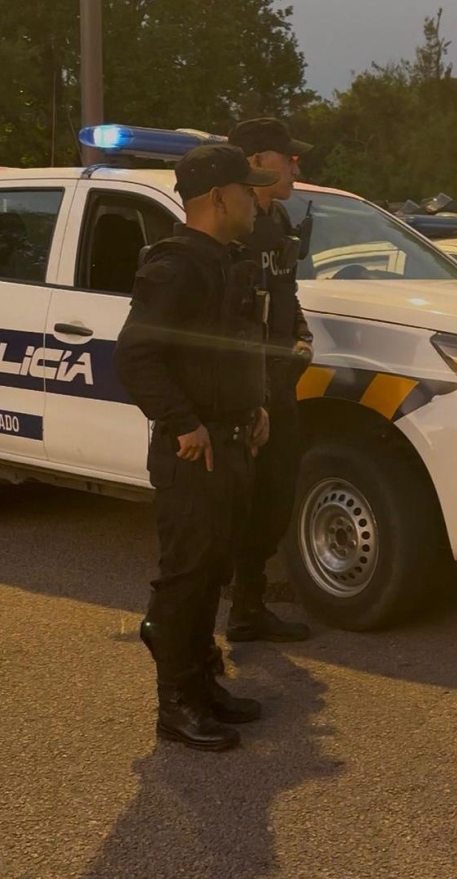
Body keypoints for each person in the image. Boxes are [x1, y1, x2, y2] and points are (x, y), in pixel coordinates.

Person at [113, 143, 277, 752]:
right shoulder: (177, 265)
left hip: (229, 441)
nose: (256, 201)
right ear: (218, 198)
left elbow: (226, 349)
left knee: (213, 568)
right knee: (186, 575)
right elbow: (134, 355)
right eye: (247, 190)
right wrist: (183, 422)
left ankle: (203, 682)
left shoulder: (222, 260)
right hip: (193, 451)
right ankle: (175, 702)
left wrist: (253, 406)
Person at [224, 117, 314, 644]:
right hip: (241, 386)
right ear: (258, 162)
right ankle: (229, 609)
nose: (296, 166)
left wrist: (300, 333)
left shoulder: (277, 220)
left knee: (277, 495)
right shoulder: (228, 225)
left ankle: (249, 606)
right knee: (239, 501)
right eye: (288, 157)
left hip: (279, 381)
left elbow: (285, 291)